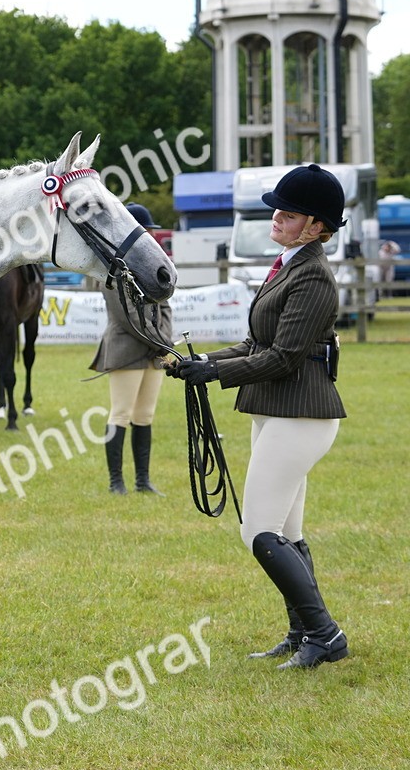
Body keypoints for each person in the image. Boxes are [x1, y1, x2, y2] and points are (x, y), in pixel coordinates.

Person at [169, 164, 349, 670]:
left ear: (316, 227)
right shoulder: (288, 264)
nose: (276, 217)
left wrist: (216, 376)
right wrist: (204, 362)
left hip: (301, 412)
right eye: (278, 209)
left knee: (259, 531)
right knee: (287, 531)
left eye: (288, 214)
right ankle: (302, 632)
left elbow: (284, 356)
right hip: (277, 408)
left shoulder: (312, 275)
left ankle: (325, 635)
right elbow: (256, 344)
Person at [90, 203, 174, 495]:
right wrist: (162, 344)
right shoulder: (113, 273)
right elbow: (128, 318)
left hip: (155, 350)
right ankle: (116, 482)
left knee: (145, 415)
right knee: (121, 413)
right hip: (127, 348)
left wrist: (165, 341)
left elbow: (165, 307)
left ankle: (143, 480)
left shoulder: (152, 270)